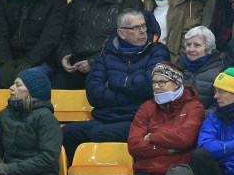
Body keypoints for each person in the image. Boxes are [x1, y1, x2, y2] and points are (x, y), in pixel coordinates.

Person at [62, 9, 169, 161]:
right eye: (135, 28)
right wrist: (132, 92)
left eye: (143, 26)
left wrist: (115, 83)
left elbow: (149, 85)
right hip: (105, 118)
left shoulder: (158, 51)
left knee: (99, 134)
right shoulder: (107, 54)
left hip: (139, 121)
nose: (142, 31)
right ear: (121, 33)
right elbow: (94, 93)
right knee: (68, 132)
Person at [55, 0, 144, 90]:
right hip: (72, 66)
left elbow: (130, 43)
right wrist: (64, 55)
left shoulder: (132, 4)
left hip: (110, 69)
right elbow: (64, 33)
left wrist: (93, 62)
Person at [0, 70, 62, 175]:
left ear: (32, 91)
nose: (11, 88)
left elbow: (48, 158)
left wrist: (9, 169)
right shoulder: (5, 114)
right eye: (13, 84)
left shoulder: (46, 118)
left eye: (18, 85)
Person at [127, 62, 206, 175]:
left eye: (162, 82)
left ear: (176, 83)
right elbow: (134, 145)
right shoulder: (146, 108)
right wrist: (167, 149)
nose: (156, 87)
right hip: (146, 171)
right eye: (154, 83)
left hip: (178, 171)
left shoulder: (194, 107)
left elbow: (184, 138)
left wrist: (152, 137)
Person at [143, 0, 208, 61]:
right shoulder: (148, 0)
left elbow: (188, 38)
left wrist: (176, 64)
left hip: (172, 62)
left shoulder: (190, 3)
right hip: (147, 59)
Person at [180, 26, 227, 110]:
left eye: (197, 45)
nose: (191, 49)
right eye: (188, 44)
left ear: (208, 48)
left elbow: (221, 106)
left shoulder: (220, 72)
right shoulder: (177, 67)